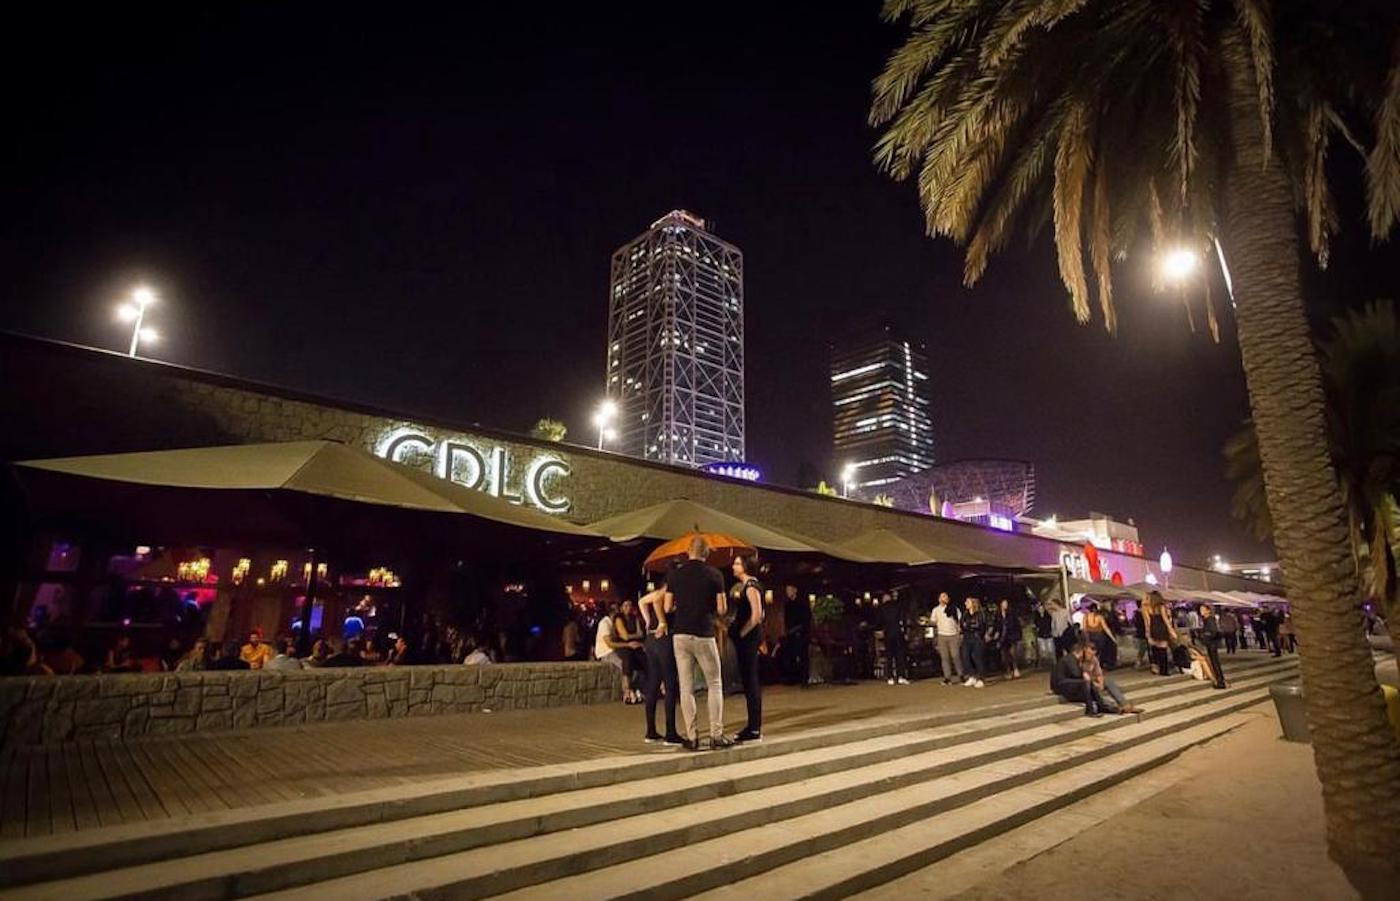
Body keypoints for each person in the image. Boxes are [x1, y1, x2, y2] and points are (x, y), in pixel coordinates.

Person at [663, 536, 733, 751]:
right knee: (714, 683)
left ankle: (692, 737)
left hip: (680, 635)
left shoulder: (675, 574)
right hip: (703, 633)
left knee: (686, 687)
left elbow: (667, 607)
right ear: (706, 553)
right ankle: (716, 735)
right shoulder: (715, 575)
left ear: (688, 551)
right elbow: (722, 609)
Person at [639, 584, 683, 747]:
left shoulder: (659, 591)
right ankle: (670, 733)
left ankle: (651, 731)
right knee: (670, 684)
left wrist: (648, 621)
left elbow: (642, 601)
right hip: (663, 639)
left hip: (651, 639)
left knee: (653, 683)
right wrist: (662, 621)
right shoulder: (668, 591)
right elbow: (657, 600)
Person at [729, 555, 765, 742]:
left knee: (751, 681)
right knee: (748, 681)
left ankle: (754, 729)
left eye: (737, 563)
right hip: (746, 639)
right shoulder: (747, 586)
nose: (733, 566)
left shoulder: (751, 586)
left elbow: (757, 614)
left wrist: (742, 632)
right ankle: (752, 726)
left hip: (749, 640)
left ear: (745, 566)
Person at [1076, 640, 1142, 713]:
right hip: (1084, 684)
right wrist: (1093, 684)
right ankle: (1114, 707)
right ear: (1085, 651)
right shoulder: (1078, 660)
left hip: (1093, 680)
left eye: (1092, 654)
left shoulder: (1094, 659)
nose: (1091, 656)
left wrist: (1100, 683)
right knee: (1095, 693)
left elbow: (1099, 674)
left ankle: (1125, 704)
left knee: (1108, 681)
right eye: (1089, 654)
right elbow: (1081, 676)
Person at [595, 601, 643, 703]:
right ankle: (627, 692)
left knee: (634, 663)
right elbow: (609, 644)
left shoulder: (614, 623)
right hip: (606, 652)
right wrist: (628, 645)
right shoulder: (605, 623)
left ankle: (632, 690)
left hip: (615, 650)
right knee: (626, 665)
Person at [1050, 639, 1109, 717]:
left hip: (1067, 683)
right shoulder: (1069, 659)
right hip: (1060, 684)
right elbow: (1077, 674)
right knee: (1086, 682)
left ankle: (1101, 705)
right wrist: (1084, 673)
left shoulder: (1075, 660)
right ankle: (1090, 709)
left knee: (1089, 684)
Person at [613, 599, 649, 701]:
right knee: (627, 659)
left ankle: (644, 689)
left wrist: (636, 639)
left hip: (635, 645)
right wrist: (634, 637)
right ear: (621, 608)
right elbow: (624, 636)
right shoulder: (619, 618)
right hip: (623, 645)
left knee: (644, 659)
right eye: (625, 606)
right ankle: (626, 690)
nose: (628, 608)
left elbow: (641, 633)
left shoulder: (634, 618)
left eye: (630, 605)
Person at [878, 591, 911, 685]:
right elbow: (902, 619)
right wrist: (904, 631)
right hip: (898, 632)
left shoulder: (882, 608)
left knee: (889, 656)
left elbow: (879, 622)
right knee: (900, 655)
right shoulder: (898, 606)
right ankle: (901, 676)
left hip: (888, 633)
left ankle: (890, 677)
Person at [782, 584, 811, 686]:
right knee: (791, 656)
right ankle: (793, 678)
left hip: (802, 634)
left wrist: (796, 630)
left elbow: (806, 620)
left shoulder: (802, 604)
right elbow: (786, 620)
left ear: (795, 591)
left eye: (789, 590)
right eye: (786, 591)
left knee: (803, 656)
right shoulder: (787, 605)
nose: (787, 592)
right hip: (791, 634)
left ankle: (804, 679)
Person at [932, 592, 963, 684]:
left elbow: (960, 620)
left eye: (946, 596)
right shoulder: (936, 610)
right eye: (943, 596)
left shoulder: (954, 608)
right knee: (945, 657)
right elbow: (933, 621)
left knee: (956, 656)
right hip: (942, 635)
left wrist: (959, 630)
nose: (945, 598)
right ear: (939, 599)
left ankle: (961, 674)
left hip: (953, 634)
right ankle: (947, 677)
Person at [1145, 592, 1178, 676]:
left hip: (1153, 628)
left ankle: (1159, 668)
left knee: (1156, 648)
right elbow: (1165, 619)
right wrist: (1171, 631)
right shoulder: (1161, 607)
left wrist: (1148, 632)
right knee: (1163, 649)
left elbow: (1148, 621)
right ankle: (1164, 670)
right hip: (1161, 628)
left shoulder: (1148, 608)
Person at [1195, 604, 1228, 689]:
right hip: (1211, 643)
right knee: (1214, 661)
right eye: (1200, 609)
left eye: (1203, 609)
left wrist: (1203, 635)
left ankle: (1220, 681)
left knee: (1215, 662)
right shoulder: (1206, 619)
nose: (1201, 611)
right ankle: (1220, 680)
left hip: (1212, 643)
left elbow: (1213, 631)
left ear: (1208, 610)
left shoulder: (1209, 619)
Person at [959, 596, 988, 688]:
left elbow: (981, 626)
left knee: (977, 658)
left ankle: (981, 679)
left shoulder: (980, 614)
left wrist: (971, 628)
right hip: (967, 637)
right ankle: (972, 676)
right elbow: (962, 625)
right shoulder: (965, 614)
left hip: (977, 637)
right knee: (965, 656)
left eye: (967, 602)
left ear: (973, 603)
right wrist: (968, 627)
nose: (965, 603)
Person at [1082, 602, 1117, 669]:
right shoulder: (1100, 617)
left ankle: (1093, 666)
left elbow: (1084, 629)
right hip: (1100, 636)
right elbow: (1106, 628)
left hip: (1090, 636)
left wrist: (1086, 638)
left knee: (1091, 652)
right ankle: (1097, 666)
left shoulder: (1086, 616)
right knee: (1098, 652)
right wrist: (1113, 638)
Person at [995, 598, 1022, 679]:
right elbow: (996, 625)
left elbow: (1017, 625)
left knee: (1013, 653)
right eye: (1004, 603)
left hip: (1011, 635)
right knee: (1004, 655)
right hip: (1002, 637)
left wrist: (1018, 635)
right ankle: (1008, 671)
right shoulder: (998, 615)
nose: (1005, 605)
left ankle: (1015, 669)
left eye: (1006, 603)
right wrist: (995, 634)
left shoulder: (1011, 614)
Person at [1033, 602, 1056, 668]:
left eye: (1042, 608)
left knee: (1050, 650)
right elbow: (1035, 626)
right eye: (1039, 609)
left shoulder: (1048, 617)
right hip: (1040, 636)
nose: (1041, 610)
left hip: (1048, 635)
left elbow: (1051, 625)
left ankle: (1052, 664)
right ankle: (1045, 664)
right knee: (1043, 651)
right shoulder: (1036, 618)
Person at [1131, 603, 1151, 669]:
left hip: (1140, 632)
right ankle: (1141, 662)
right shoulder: (1146, 612)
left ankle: (1139, 662)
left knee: (1142, 648)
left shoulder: (1136, 613)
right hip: (1146, 632)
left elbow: (1134, 622)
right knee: (1148, 648)